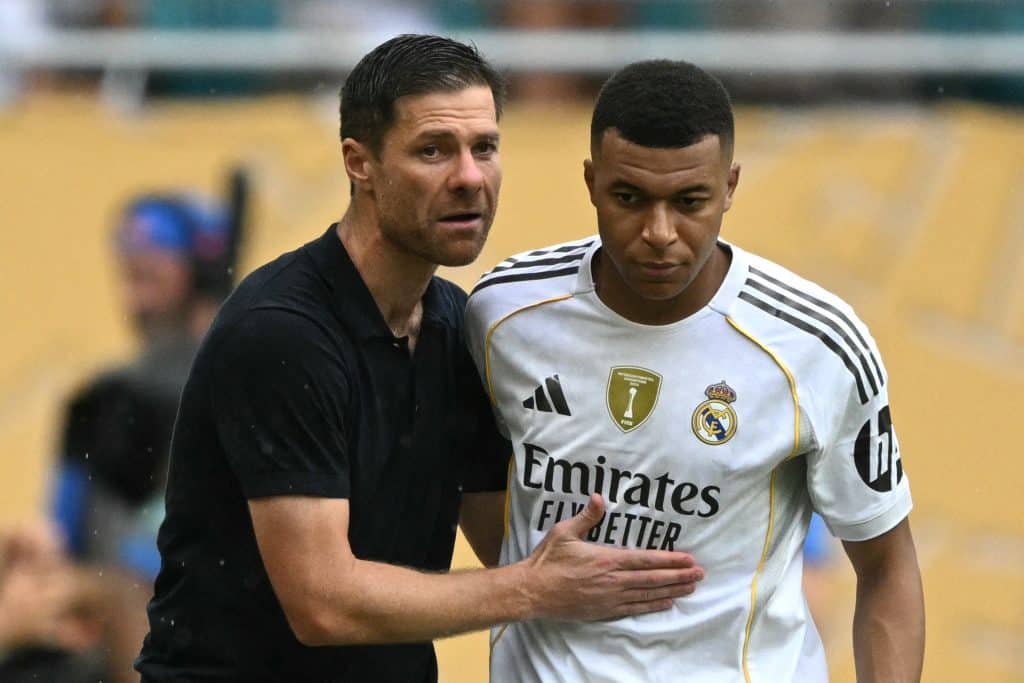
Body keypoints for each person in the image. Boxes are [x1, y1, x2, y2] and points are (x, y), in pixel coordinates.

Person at [135, 35, 703, 683]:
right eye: (433, 150)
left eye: (484, 147)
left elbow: (511, 546)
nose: (469, 176)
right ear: (360, 163)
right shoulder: (281, 333)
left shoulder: (460, 327)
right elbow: (323, 604)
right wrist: (534, 587)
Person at [465, 59, 925, 682]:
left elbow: (888, 570)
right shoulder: (503, 314)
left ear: (730, 186)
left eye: (690, 202)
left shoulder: (817, 343)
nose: (659, 232)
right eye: (629, 198)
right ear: (591, 181)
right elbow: (471, 478)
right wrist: (534, 591)